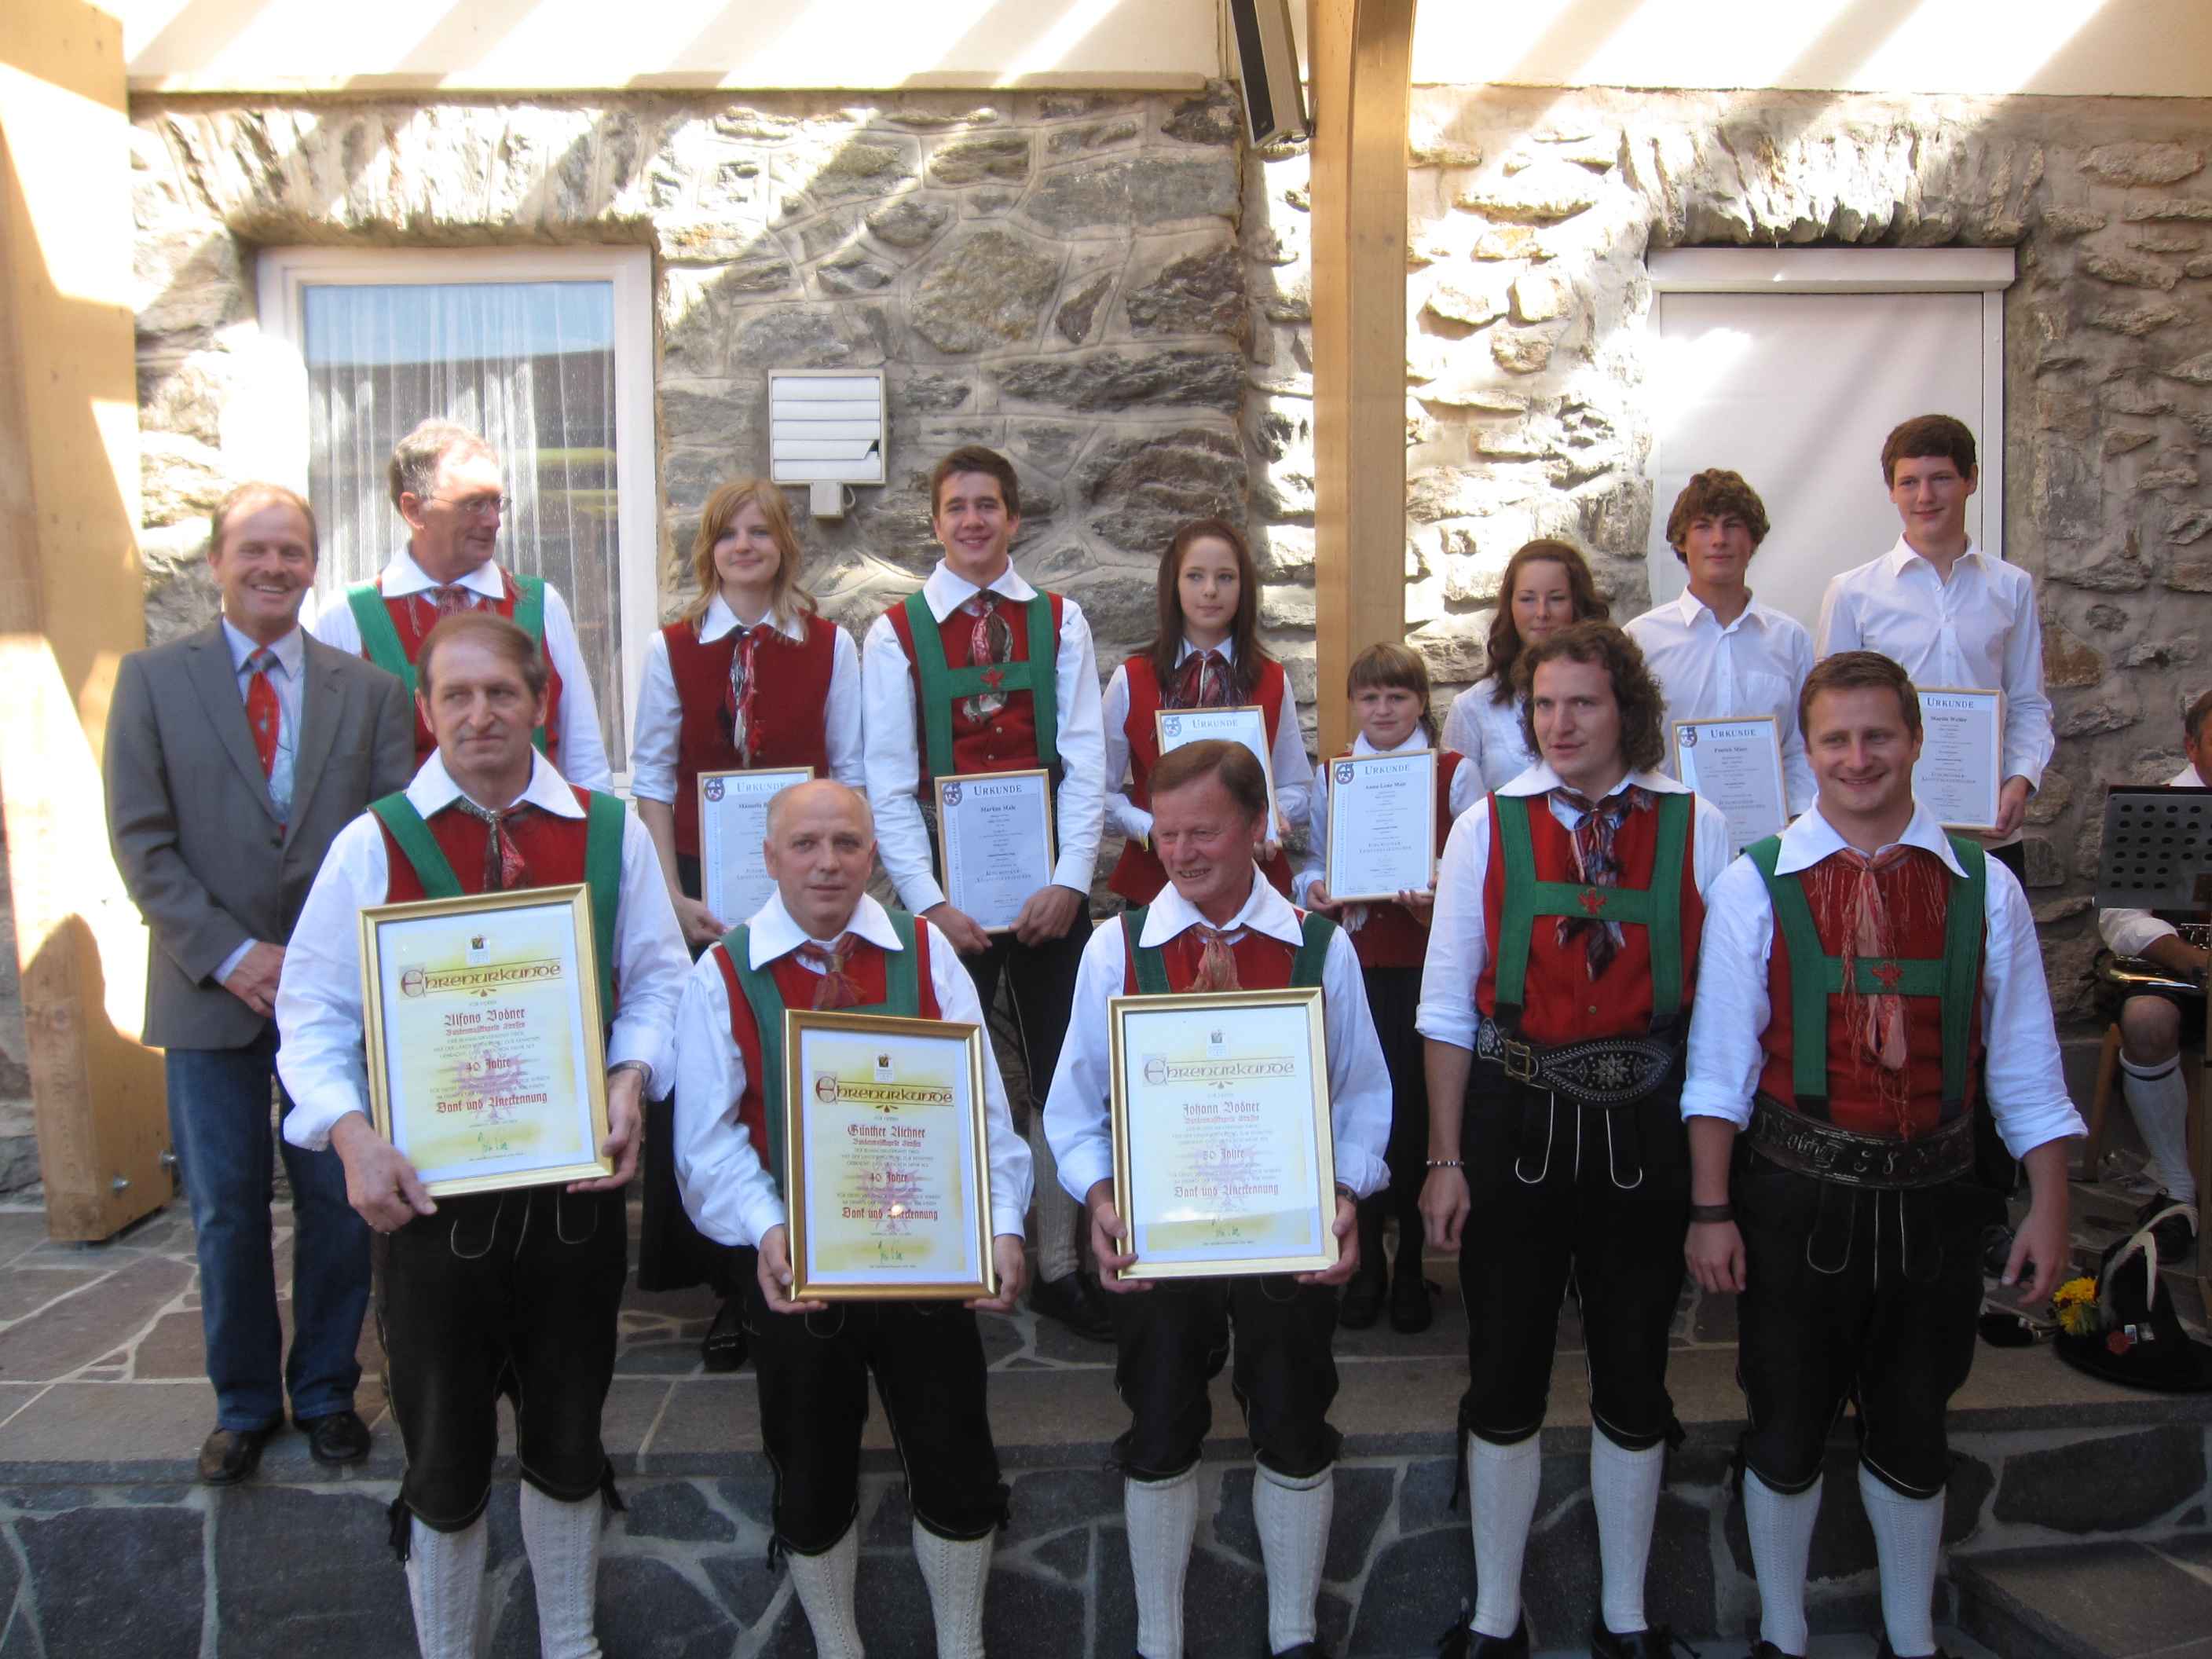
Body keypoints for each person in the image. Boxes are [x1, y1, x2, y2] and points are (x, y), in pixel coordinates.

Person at [275, 611, 689, 1659]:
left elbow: (659, 984)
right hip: (430, 1211)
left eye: (501, 692)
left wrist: (630, 1078)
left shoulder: (609, 833)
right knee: (444, 1459)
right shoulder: (371, 844)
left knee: (568, 1438)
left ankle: (571, 1644)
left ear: (540, 702)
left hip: (571, 1203)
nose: (480, 714)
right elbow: (311, 1017)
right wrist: (351, 1136)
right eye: (455, 696)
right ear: (426, 711)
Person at [1682, 651, 2081, 1659]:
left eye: (1876, 736)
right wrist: (1710, 1211)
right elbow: (1719, 1069)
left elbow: (2025, 1067)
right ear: (1804, 751)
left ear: (1914, 740)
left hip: (1935, 1204)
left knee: (1913, 1423)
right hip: (1791, 1202)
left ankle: (1910, 1639)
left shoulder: (1983, 887)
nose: (1856, 758)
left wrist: (2048, 1207)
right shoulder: (1752, 884)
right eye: (1834, 739)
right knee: (1783, 1422)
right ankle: (1781, 1634)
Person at [1419, 622, 1731, 1659]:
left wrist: (1711, 1188)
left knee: (1634, 1371)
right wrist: (1445, 1158)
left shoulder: (1698, 823)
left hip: (1647, 1126)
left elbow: (1725, 1016)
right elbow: (1445, 1007)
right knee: (1503, 1370)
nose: (1559, 725)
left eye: (1582, 703)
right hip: (1514, 1123)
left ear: (1625, 710)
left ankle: (1625, 1617)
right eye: (1544, 705)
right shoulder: (1485, 828)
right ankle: (1494, 1617)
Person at [671, 779, 1031, 1659]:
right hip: (798, 1266)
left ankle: (961, 1647)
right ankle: (839, 1648)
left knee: (955, 1458)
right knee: (810, 1470)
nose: (826, 863)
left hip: (927, 1259)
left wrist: (1002, 1222)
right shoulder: (724, 973)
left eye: (846, 844)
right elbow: (706, 1143)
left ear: (873, 855)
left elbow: (984, 1109)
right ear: (769, 858)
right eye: (805, 845)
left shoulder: (925, 953)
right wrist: (768, 1228)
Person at [1046, 738, 1389, 1659]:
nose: (1180, 852)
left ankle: (1292, 1635)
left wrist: (1345, 1194)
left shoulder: (1321, 946)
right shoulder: (1114, 948)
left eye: (1201, 832)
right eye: (1165, 834)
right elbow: (1073, 1110)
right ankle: (1159, 1640)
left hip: (1286, 1232)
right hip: (1159, 1237)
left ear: (1257, 828)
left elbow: (1360, 1095)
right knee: (1159, 1422)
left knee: (1292, 1415)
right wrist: (1100, 1200)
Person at [103, 482, 414, 1486]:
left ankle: (325, 1391)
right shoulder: (153, 681)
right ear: (216, 563)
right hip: (206, 992)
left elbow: (388, 844)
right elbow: (142, 843)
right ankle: (241, 1406)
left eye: (292, 551)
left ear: (313, 566)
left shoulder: (369, 691)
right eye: (254, 550)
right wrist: (232, 955)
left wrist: (316, 967)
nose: (274, 567)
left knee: (336, 1201)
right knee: (226, 1208)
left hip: (334, 1000)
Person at [861, 445, 1108, 1342]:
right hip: (946, 900)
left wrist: (1070, 881)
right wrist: (926, 902)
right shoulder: (893, 634)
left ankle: (1058, 1264)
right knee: (941, 1072)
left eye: (988, 505)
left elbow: (1085, 762)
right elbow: (889, 782)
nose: (972, 520)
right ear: (935, 523)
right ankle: (943, 1249)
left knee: (1061, 1074)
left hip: (1046, 896)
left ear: (1014, 518)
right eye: (956, 507)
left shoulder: (1061, 622)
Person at [629, 478, 866, 1370]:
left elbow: (848, 770)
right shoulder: (672, 649)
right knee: (711, 1077)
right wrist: (669, 894)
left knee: (790, 1065)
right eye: (728, 533)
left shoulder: (829, 646)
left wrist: (837, 876)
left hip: (804, 881)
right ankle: (731, 1284)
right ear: (709, 549)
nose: (744, 546)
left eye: (760, 532)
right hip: (701, 889)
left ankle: (827, 1242)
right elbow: (653, 778)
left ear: (783, 547)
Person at [1297, 643, 1481, 1333]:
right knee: (1356, 1108)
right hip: (1356, 963)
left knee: (1410, 1116)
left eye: (1397, 697)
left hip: (1425, 966)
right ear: (1353, 704)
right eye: (1370, 698)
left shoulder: (1454, 772)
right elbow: (1312, 860)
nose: (1382, 710)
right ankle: (1367, 1261)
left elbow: (1476, 863)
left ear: (1421, 703)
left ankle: (1409, 1270)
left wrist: (1437, 889)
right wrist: (1315, 887)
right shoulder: (1334, 774)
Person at [310, 417, 613, 790]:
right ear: (414, 510)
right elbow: (323, 771)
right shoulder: (347, 615)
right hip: (401, 829)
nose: (493, 521)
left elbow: (584, 761)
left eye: (496, 503)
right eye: (474, 504)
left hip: (531, 826)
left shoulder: (540, 604)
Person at [1814, 414, 2053, 877]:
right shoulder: (1852, 593)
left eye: (1941, 478)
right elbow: (1830, 717)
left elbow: (2028, 703)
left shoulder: (2012, 587)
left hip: (1988, 833)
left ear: (1970, 480)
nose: (1925, 496)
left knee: (1992, 929)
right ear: (1892, 491)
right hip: (1883, 835)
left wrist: (2020, 780)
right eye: (1909, 482)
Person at [1104, 518, 1313, 904]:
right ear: (1174, 584)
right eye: (1195, 576)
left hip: (1253, 885)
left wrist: (1269, 818)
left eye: (1226, 577)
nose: (1211, 590)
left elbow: (1296, 786)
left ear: (1244, 587)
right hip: (1156, 887)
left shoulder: (1272, 678)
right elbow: (1100, 791)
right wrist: (1152, 828)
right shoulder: (1131, 679)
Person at [2093, 685, 2212, 1258]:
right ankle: (2178, 1187)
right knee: (2144, 1020)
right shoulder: (2158, 810)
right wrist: (2190, 958)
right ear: (2191, 746)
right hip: (2179, 974)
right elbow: (2119, 918)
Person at [1624, 468, 1816, 815]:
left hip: (1770, 832)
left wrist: (1797, 817)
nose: (1719, 539)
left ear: (1753, 541)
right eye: (1703, 526)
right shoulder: (1641, 639)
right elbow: (1624, 746)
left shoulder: (1790, 640)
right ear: (1681, 541)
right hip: (1668, 826)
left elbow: (1801, 747)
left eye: (1732, 525)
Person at [1440, 539, 1610, 793]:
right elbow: (1455, 803)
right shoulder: (1472, 708)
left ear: (1578, 604)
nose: (1542, 613)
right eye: (1528, 599)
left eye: (1556, 598)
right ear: (1510, 605)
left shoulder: (1611, 693)